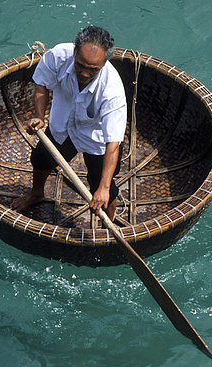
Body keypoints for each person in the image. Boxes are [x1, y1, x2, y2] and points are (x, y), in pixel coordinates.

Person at [10, 26, 127, 221]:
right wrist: (39, 116)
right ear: (74, 52)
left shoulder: (112, 92)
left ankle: (109, 222)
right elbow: (42, 84)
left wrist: (104, 189)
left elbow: (112, 144)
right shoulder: (58, 56)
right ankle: (37, 193)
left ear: (104, 64)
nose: (84, 73)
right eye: (80, 65)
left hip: (96, 137)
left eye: (93, 70)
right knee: (40, 158)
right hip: (63, 124)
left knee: (102, 185)